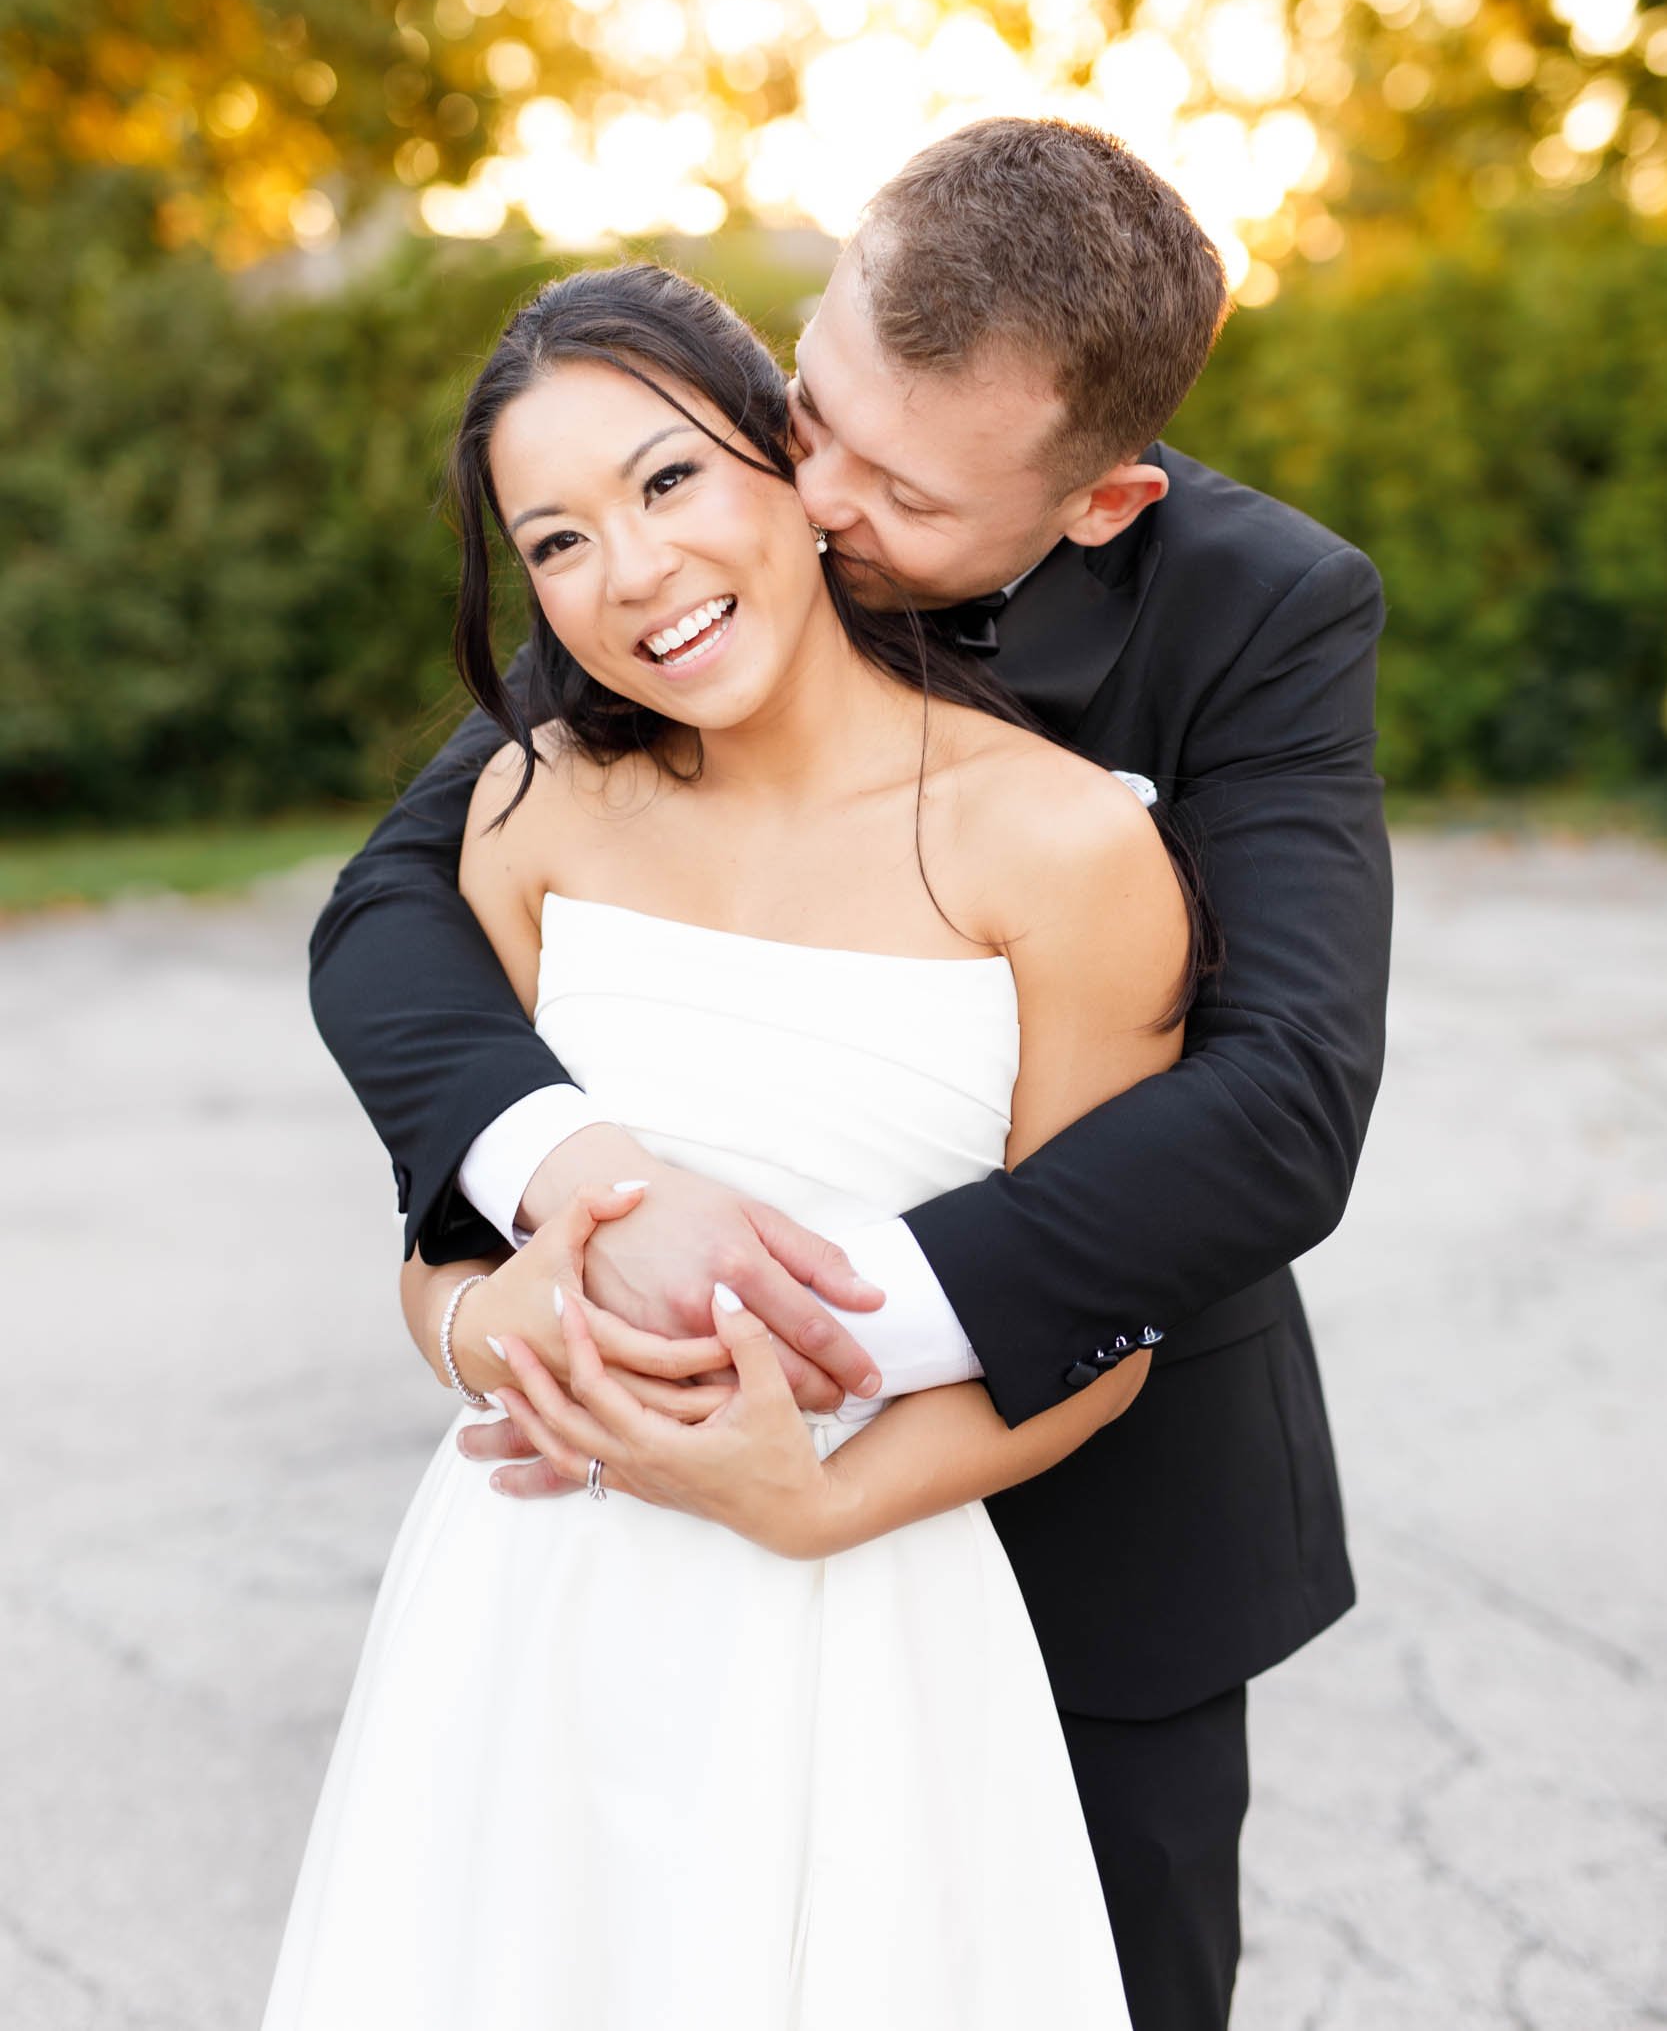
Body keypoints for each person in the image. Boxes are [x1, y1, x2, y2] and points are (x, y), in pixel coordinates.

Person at [309, 117, 1394, 2031]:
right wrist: (546, 1238)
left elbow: (1284, 1101)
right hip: (600, 1567)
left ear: (1101, 503)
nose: (809, 496)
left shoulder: (1255, 616)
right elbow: (394, 908)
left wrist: (787, 1343)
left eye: (887, 483)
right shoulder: (695, 548)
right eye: (805, 412)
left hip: (1098, 1506)